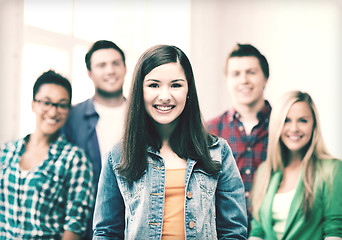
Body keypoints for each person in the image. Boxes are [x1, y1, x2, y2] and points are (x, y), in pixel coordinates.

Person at [92, 45, 248, 239]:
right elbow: (106, 232)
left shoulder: (218, 151)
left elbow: (234, 232)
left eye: (176, 85)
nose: (165, 96)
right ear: (140, 91)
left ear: (188, 89)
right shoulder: (117, 156)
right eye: (153, 85)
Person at [0, 70, 94, 239]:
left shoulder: (75, 160)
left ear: (68, 110)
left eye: (62, 105)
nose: (52, 112)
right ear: (33, 104)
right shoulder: (6, 152)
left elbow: (74, 227)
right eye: (46, 102)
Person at [249, 90, 342, 240]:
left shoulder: (332, 170)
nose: (294, 128)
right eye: (286, 120)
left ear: (314, 125)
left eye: (303, 120)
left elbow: (334, 231)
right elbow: (257, 231)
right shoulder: (264, 171)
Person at [62, 40, 127, 239]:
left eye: (116, 63)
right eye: (101, 65)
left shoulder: (143, 114)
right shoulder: (72, 117)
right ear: (90, 73)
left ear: (125, 68)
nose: (110, 70)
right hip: (87, 227)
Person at [206, 43, 271, 230]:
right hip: (225, 230)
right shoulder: (210, 130)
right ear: (227, 80)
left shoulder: (285, 128)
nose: (244, 80)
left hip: (272, 231)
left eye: (251, 72)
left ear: (265, 77)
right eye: (236, 74)